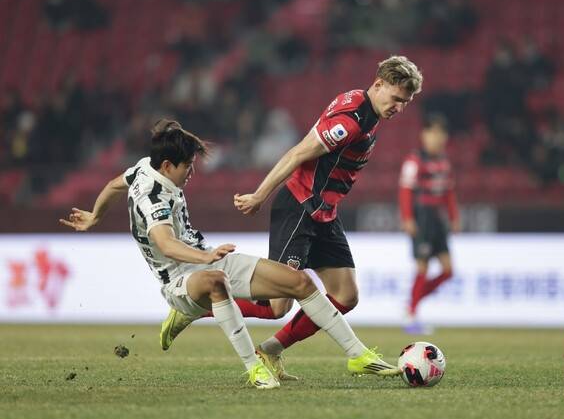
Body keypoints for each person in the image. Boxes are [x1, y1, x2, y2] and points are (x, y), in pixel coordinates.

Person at [59, 119, 400, 389]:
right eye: (187, 166)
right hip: (178, 280)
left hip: (206, 257)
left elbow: (113, 185)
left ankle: (358, 355)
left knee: (299, 283)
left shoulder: (143, 168)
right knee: (216, 281)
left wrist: (95, 216)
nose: (191, 172)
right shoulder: (153, 197)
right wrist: (204, 259)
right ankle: (255, 369)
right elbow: (165, 244)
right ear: (167, 165)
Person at [225, 55, 422, 380]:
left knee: (346, 295)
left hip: (324, 214)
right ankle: (201, 302)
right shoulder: (352, 122)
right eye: (396, 98)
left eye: (405, 103)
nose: (398, 108)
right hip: (300, 208)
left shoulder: (365, 108)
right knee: (276, 307)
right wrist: (260, 195)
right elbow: (298, 153)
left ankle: (270, 350)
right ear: (378, 84)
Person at [398, 116, 459, 334]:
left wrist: (453, 217)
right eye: (432, 133)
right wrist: (407, 218)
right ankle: (412, 314)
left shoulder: (444, 162)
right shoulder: (414, 160)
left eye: (440, 134)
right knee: (422, 266)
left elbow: (449, 192)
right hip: (421, 217)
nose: (436, 138)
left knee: (448, 270)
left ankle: (412, 303)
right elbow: (405, 190)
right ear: (423, 136)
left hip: (437, 218)